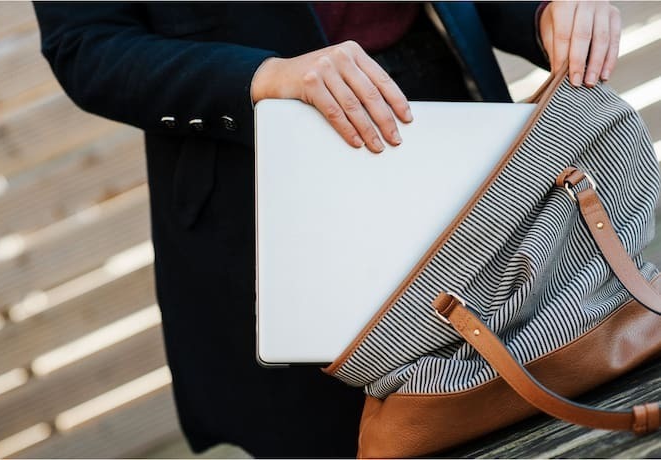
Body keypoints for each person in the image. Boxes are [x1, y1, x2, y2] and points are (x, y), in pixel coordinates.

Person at [32, 2, 621, 457]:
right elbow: (86, 44)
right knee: (329, 437)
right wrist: (263, 76)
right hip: (259, 178)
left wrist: (547, 10)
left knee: (529, 389)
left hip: (453, 132)